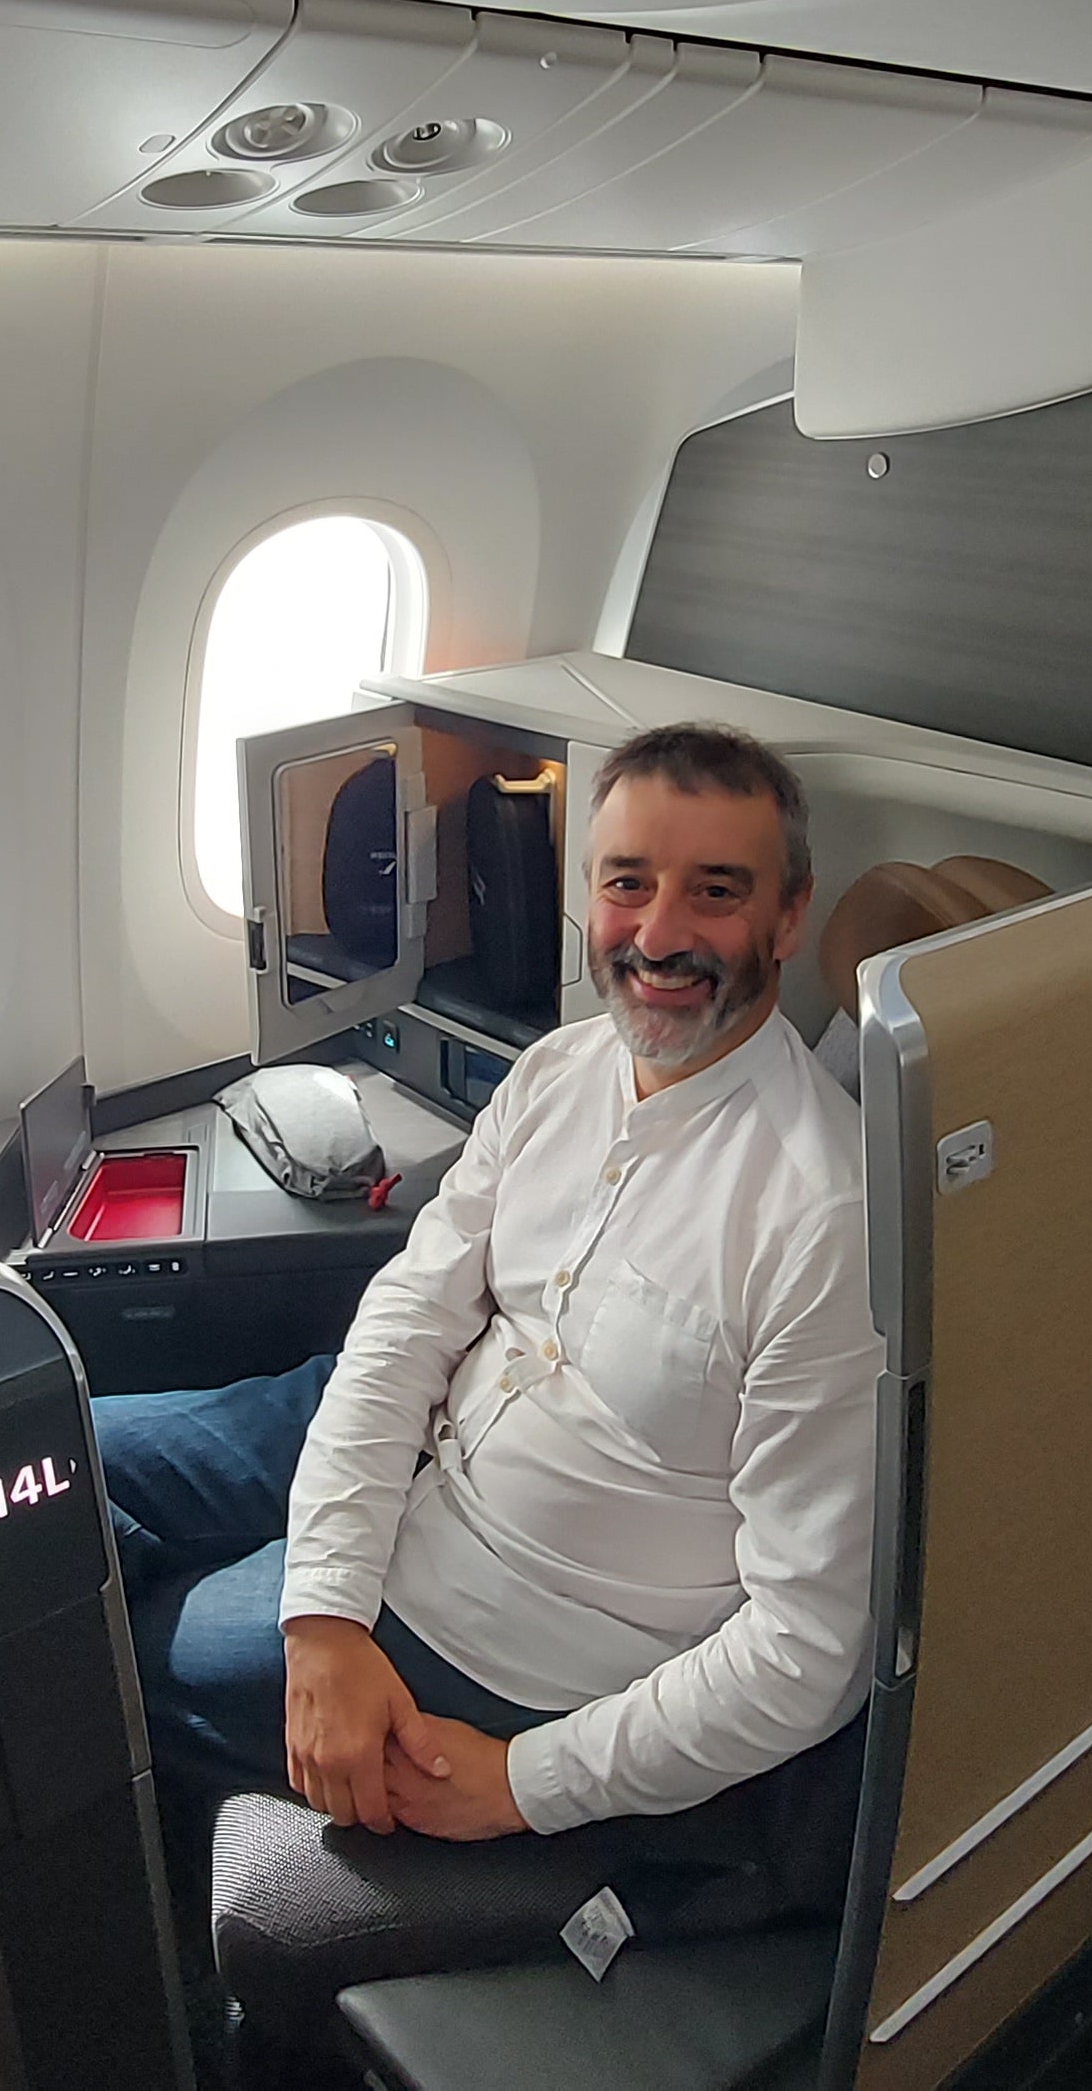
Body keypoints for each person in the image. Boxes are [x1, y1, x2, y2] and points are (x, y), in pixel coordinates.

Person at [93, 720, 880, 1865]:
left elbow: (813, 1645)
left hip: (514, 1617)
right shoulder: (562, 1067)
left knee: (132, 1653)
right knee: (63, 1462)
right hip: (414, 1434)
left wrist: (527, 1780)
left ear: (788, 914)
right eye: (628, 883)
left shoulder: (822, 1216)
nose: (659, 933)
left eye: (715, 890)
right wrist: (320, 1613)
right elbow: (410, 1320)